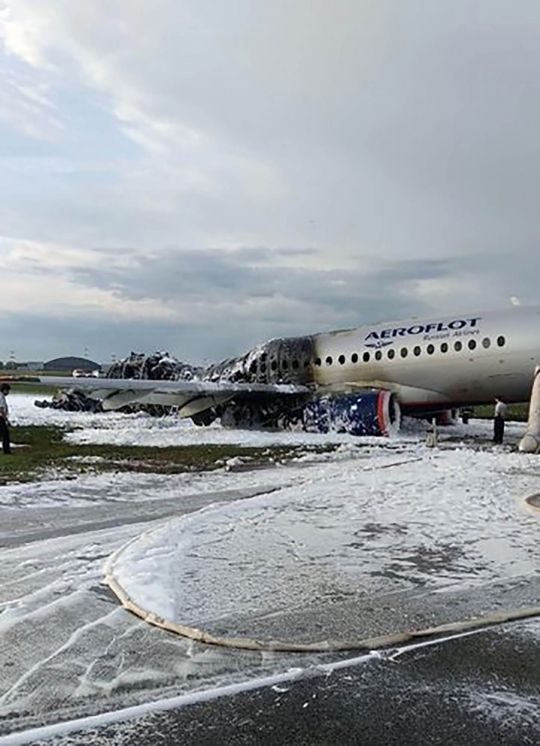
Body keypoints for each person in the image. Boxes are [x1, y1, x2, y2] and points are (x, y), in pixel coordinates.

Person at [0, 383, 12, 454]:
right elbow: (1, 409)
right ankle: (6, 450)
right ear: (4, 390)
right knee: (5, 434)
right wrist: (6, 419)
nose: (8, 393)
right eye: (7, 391)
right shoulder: (1, 397)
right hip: (0, 417)